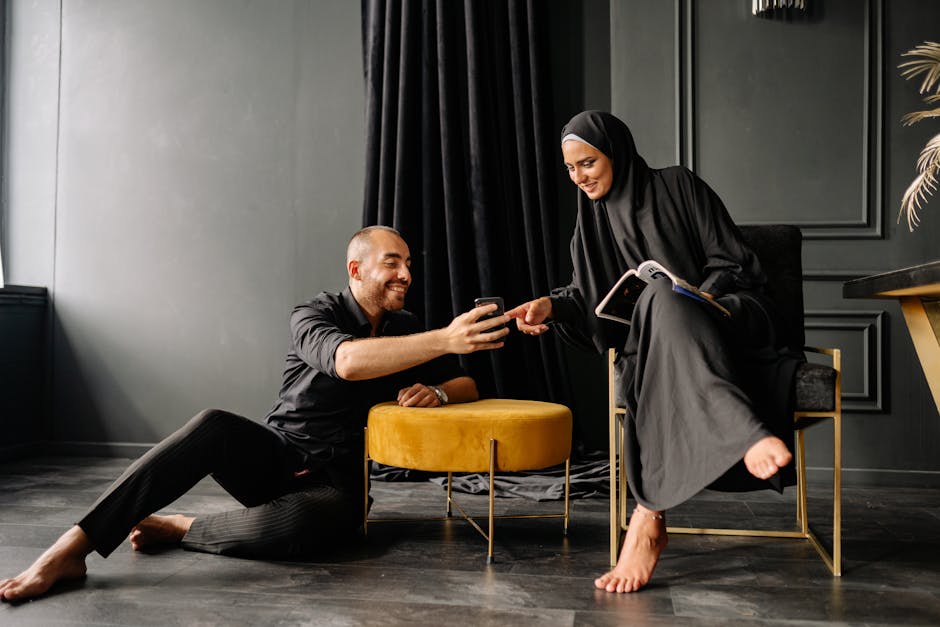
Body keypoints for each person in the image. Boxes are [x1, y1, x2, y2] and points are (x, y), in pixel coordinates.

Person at [0, 225, 509, 602]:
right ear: (356, 270)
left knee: (329, 525)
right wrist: (443, 337)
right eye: (392, 262)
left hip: (337, 481)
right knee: (212, 424)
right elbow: (347, 362)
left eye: (408, 263)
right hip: (277, 456)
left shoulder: (406, 327)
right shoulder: (313, 315)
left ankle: (182, 527)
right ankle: (70, 549)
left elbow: (468, 382)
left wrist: (438, 393)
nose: (406, 273)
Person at [506, 111, 802, 594]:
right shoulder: (589, 224)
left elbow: (733, 261)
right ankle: (740, 437)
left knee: (665, 300)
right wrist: (551, 307)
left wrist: (695, 298)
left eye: (588, 163)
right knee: (658, 308)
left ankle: (647, 517)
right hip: (662, 338)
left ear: (615, 153)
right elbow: (588, 300)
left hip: (728, 314)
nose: (580, 177)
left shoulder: (678, 185)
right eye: (570, 169)